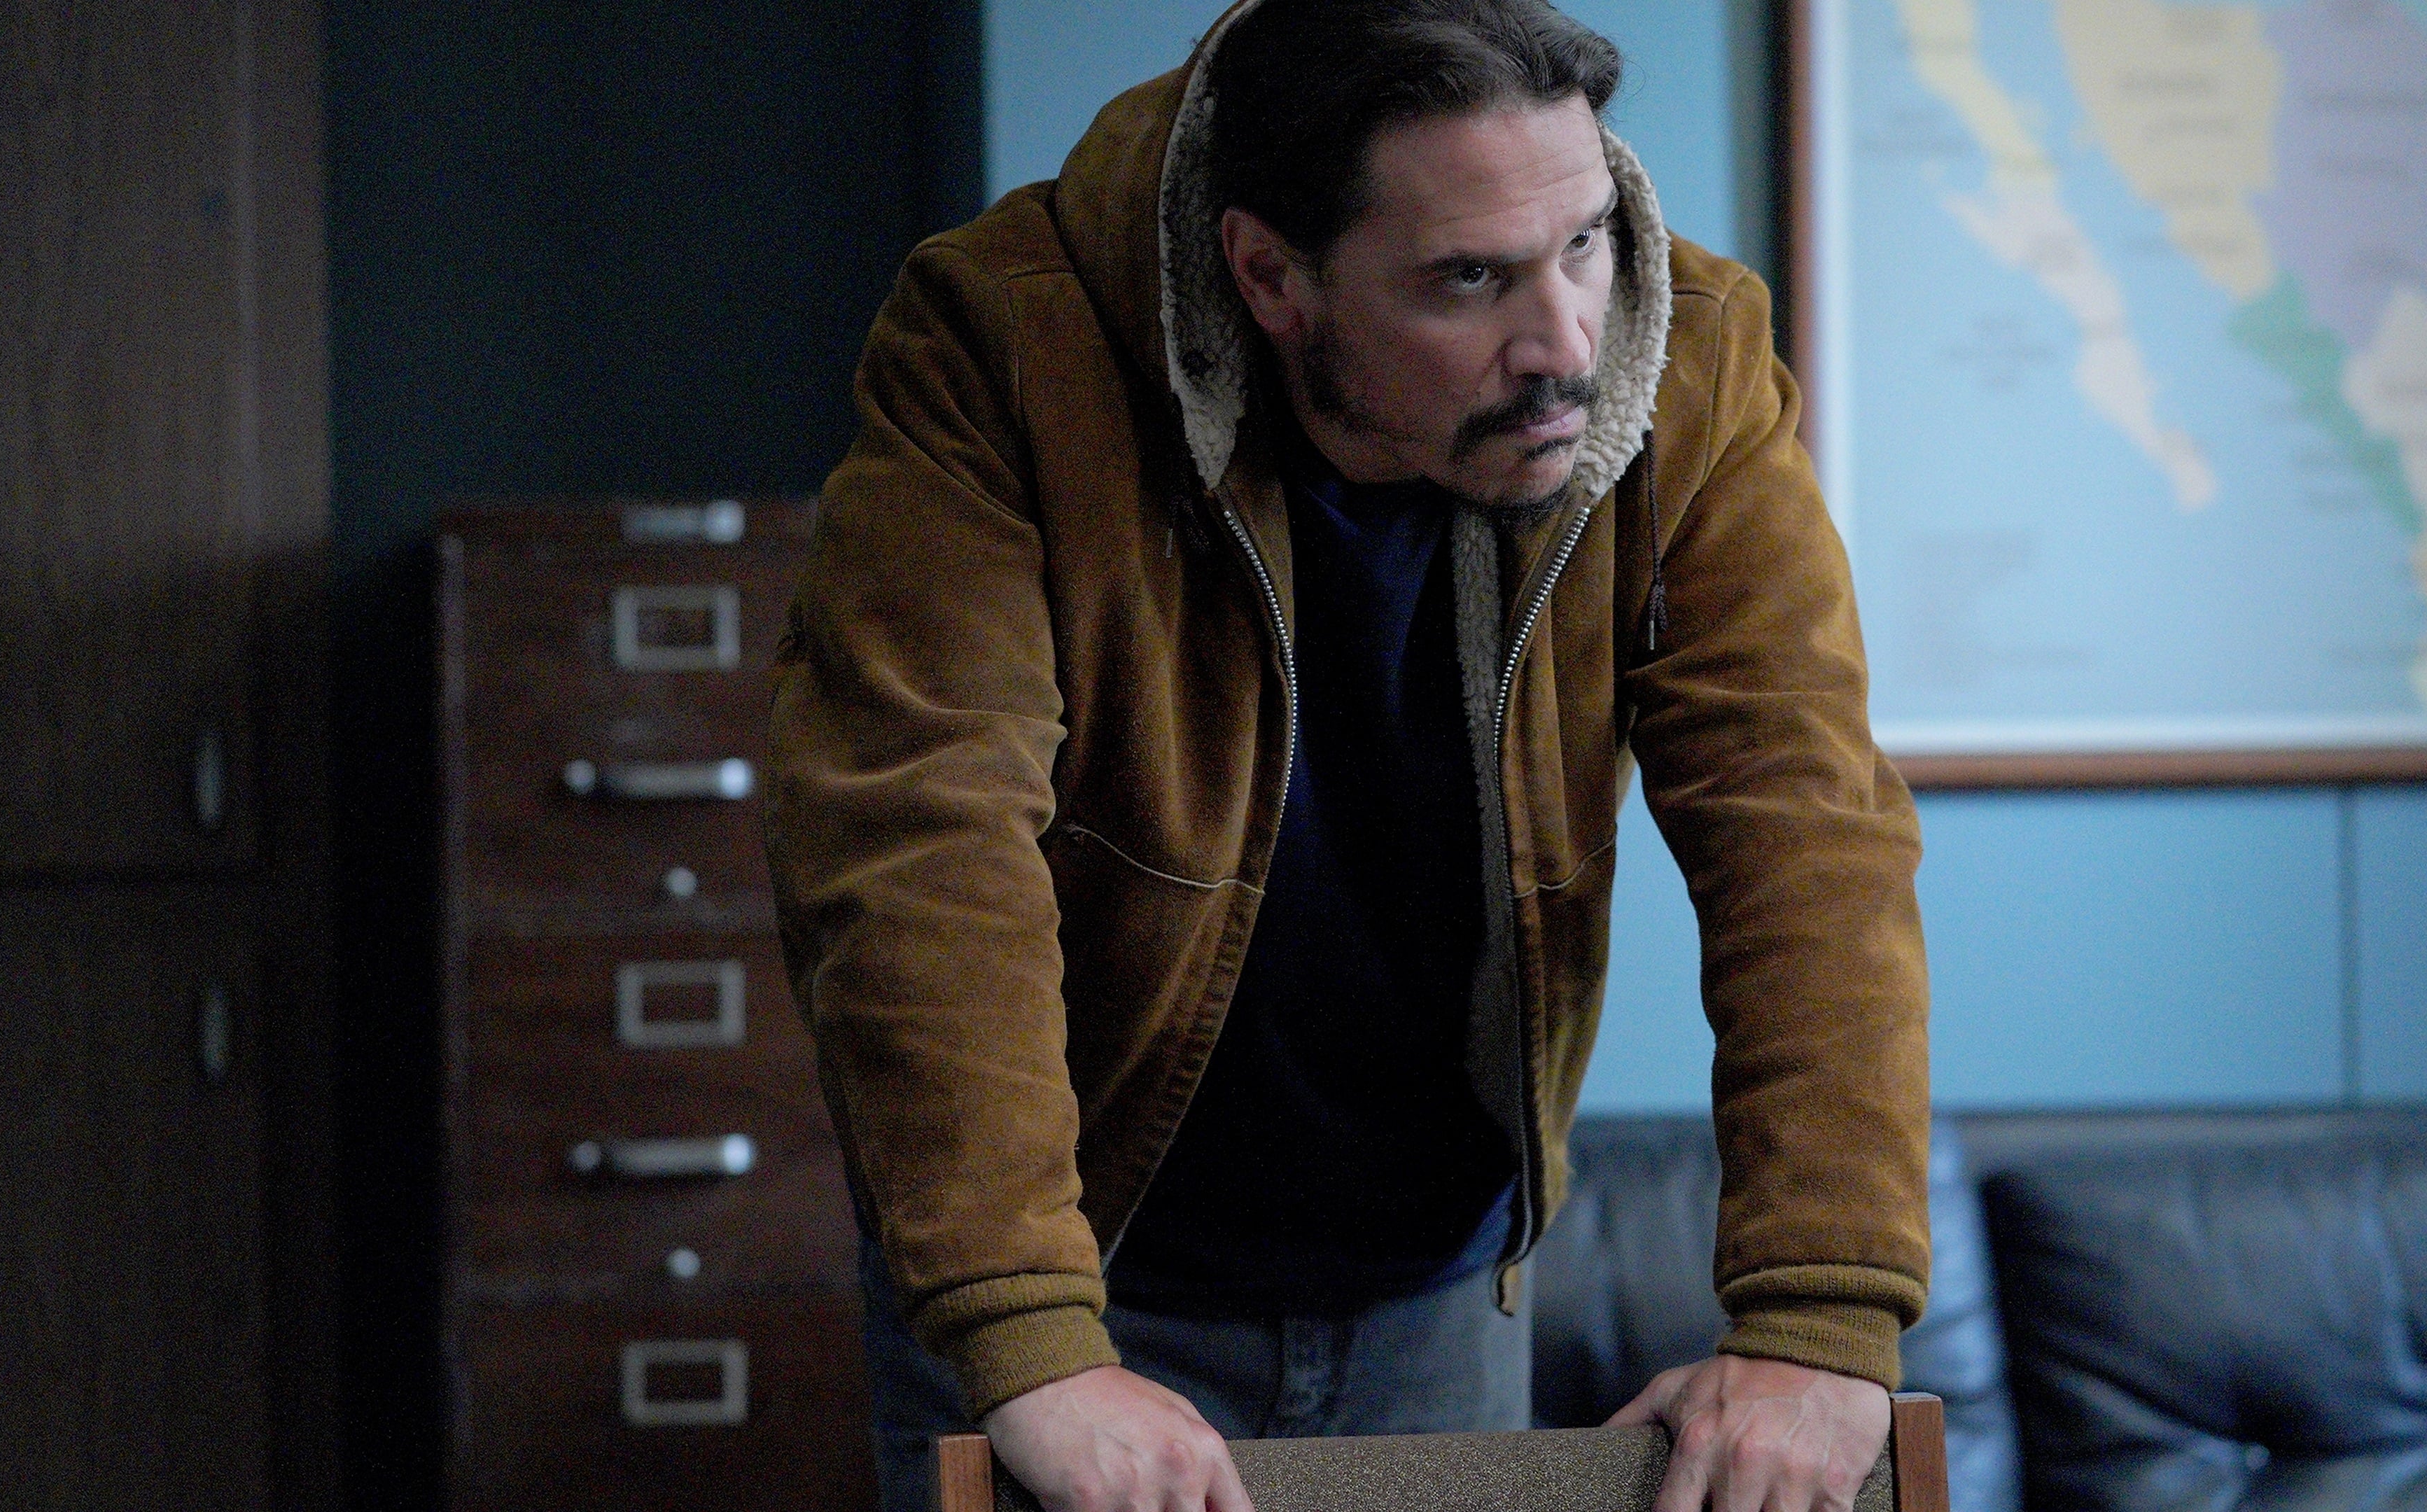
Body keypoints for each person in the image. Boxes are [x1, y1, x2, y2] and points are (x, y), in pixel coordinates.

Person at [763, 4, 1931, 1511]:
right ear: (1270, 277)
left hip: (1438, 1292)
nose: (1567, 344)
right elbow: (919, 840)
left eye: (1584, 242)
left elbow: (1803, 821)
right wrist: (1028, 1339)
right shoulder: (1006, 344)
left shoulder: (1685, 354)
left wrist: (1822, 1317)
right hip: (1077, 1288)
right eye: (1469, 279)